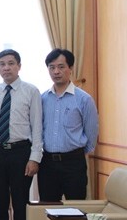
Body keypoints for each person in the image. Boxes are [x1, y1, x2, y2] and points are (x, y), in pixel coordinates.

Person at [0, 49, 43, 220]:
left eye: (10, 63)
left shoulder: (31, 91)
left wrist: (34, 158)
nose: (6, 68)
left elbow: (37, 126)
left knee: (20, 201)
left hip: (21, 152)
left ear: (19, 66)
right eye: (2, 64)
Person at [38, 48, 99, 201]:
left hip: (73, 163)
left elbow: (91, 134)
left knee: (76, 208)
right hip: (47, 163)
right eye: (52, 67)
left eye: (61, 67)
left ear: (70, 69)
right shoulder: (42, 99)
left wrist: (76, 152)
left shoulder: (84, 99)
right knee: (48, 208)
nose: (56, 71)